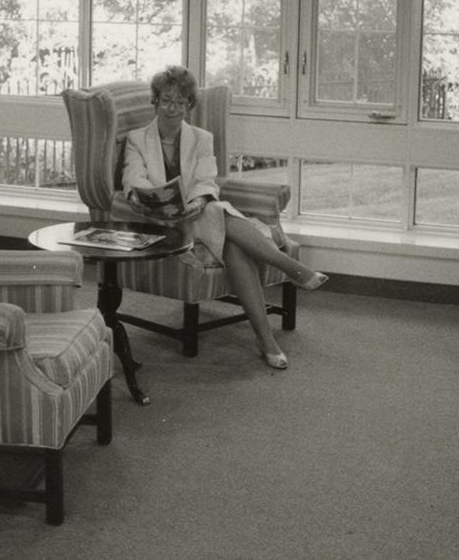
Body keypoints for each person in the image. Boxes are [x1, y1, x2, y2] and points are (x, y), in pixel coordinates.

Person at [121, 66, 328, 370]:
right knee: (217, 212)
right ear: (155, 101)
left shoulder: (202, 138)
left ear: (190, 105)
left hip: (198, 215)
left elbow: (207, 181)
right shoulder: (137, 139)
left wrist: (198, 200)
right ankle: (291, 268)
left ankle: (266, 341)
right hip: (163, 224)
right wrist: (156, 198)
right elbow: (132, 179)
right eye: (166, 100)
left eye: (180, 102)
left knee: (230, 240)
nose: (172, 108)